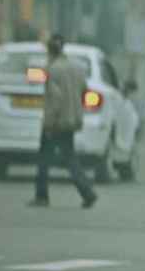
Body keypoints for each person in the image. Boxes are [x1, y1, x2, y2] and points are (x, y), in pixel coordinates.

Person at [30, 33, 97, 209]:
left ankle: (41, 196)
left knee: (44, 159)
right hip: (71, 120)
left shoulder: (52, 70)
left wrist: (48, 123)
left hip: (56, 122)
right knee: (70, 158)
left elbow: (55, 99)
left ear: (49, 51)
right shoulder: (77, 68)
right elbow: (84, 91)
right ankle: (87, 192)